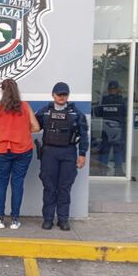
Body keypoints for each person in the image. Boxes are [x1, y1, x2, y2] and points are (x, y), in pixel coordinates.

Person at [35, 82, 89, 231]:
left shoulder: (76, 113)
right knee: (49, 187)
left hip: (68, 152)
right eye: (59, 94)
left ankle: (63, 219)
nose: (61, 97)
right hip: (49, 153)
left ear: (68, 96)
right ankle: (48, 219)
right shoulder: (44, 112)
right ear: (53, 95)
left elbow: (84, 135)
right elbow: (33, 126)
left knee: (64, 187)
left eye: (64, 94)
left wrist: (82, 154)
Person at [0, 78, 40, 229]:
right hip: (23, 150)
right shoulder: (25, 106)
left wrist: (6, 132)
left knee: (1, 183)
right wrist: (23, 131)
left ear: (2, 91)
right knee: (17, 183)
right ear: (16, 90)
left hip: (3, 150)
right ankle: (15, 220)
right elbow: (36, 127)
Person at [94, 80, 127, 176]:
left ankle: (103, 171)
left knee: (105, 149)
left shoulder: (103, 100)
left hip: (106, 128)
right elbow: (126, 112)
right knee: (118, 149)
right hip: (118, 128)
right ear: (118, 89)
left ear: (108, 90)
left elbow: (97, 113)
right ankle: (118, 171)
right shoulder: (121, 100)